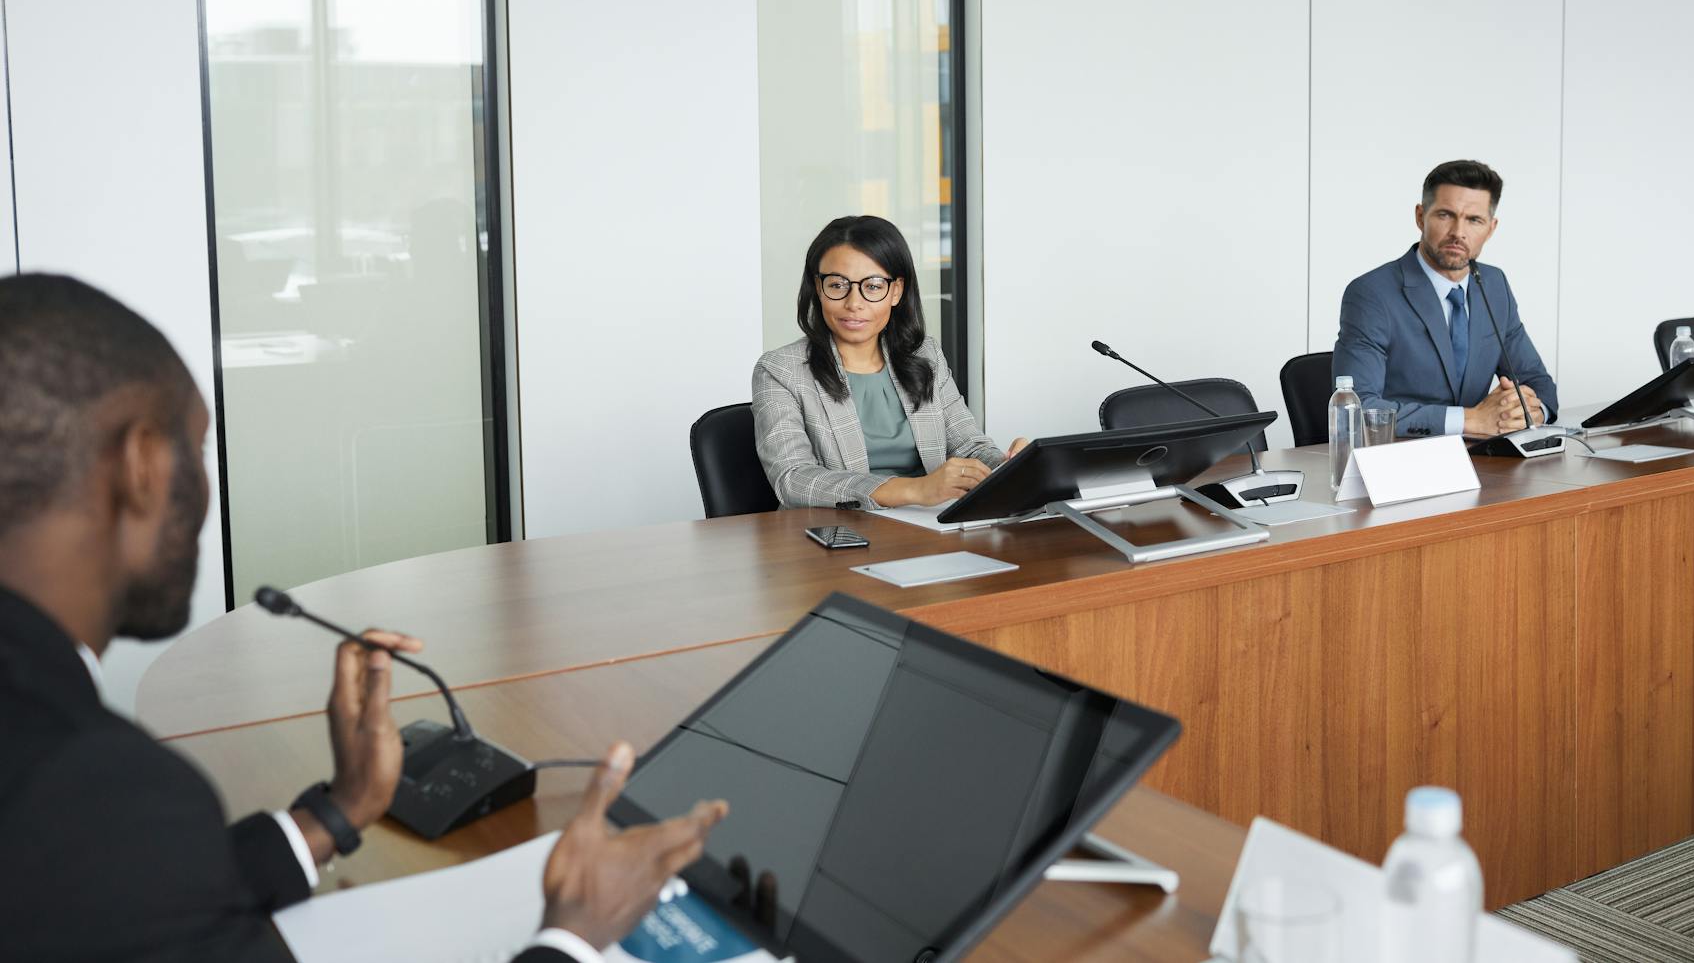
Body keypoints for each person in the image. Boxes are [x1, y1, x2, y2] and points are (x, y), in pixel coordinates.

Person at [0, 273, 727, 963]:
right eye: (198, 449)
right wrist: (573, 935)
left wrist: (335, 814)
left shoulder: (59, 782)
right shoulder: (93, 786)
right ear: (142, 464)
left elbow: (102, 908)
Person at [753, 215, 1025, 508]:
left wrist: (1008, 467)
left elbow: (968, 445)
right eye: (837, 285)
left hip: (930, 525)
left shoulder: (926, 356)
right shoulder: (780, 370)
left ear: (896, 291)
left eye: (872, 286)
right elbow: (792, 478)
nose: (853, 303)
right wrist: (916, 490)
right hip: (837, 533)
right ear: (818, 288)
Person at [1332, 160, 1558, 439]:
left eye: (1474, 220)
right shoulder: (1372, 293)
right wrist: (1470, 420)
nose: (1458, 232)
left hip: (1481, 461)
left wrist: (1531, 411)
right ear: (1420, 216)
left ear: (1491, 227)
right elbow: (1356, 410)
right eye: (1445, 215)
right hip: (1398, 461)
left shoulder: (1493, 284)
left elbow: (1538, 383)